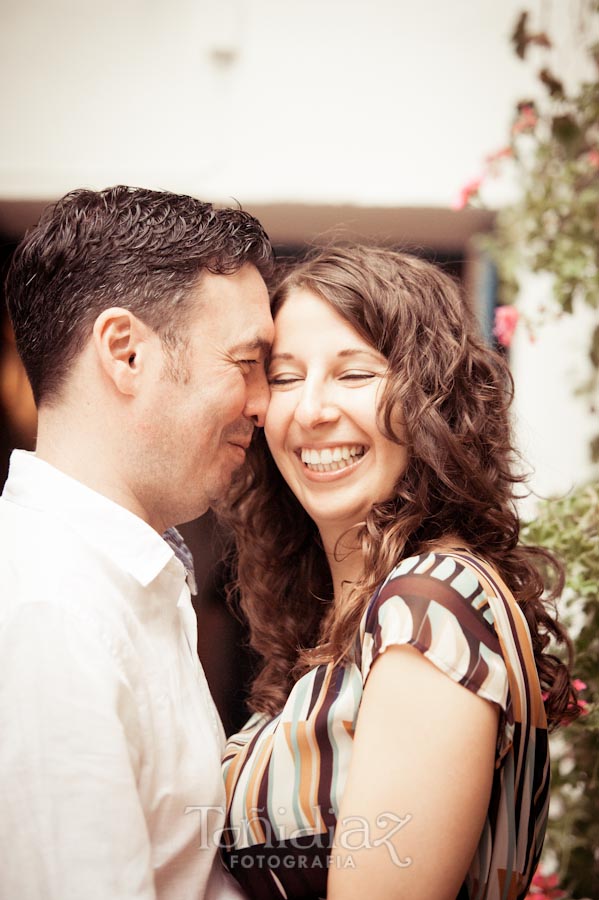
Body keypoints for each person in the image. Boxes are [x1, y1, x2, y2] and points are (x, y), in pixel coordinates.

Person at [218, 245, 579, 900]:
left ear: (431, 399)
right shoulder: (356, 612)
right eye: (286, 376)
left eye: (353, 374)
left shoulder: (429, 604)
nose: (310, 410)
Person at [0, 186, 275, 900]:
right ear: (126, 354)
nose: (264, 403)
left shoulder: (127, 574)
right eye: (245, 363)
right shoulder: (47, 610)